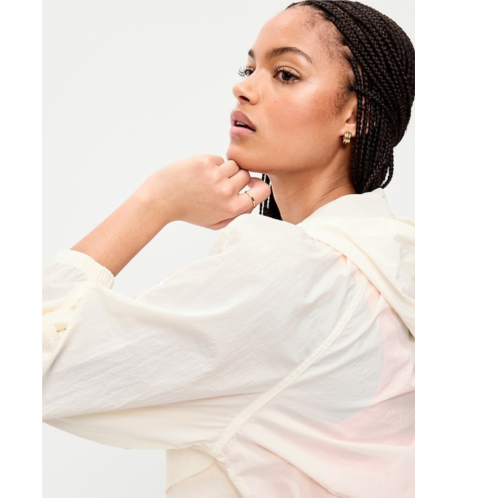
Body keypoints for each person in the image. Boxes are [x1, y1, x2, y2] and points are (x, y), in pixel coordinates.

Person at [42, 0, 416, 496]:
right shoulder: (388, 267)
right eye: (248, 68)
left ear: (356, 114)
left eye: (285, 74)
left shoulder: (294, 276)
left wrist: (154, 202)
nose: (244, 87)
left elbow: (51, 370)